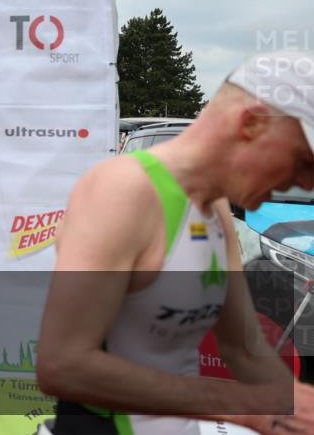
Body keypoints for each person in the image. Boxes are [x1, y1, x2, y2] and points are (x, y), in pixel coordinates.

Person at [37, 50, 314, 435]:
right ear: (251, 123)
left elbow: (243, 350)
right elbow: (61, 365)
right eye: (304, 161)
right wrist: (246, 407)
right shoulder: (122, 189)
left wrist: (297, 408)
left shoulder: (216, 210)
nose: (305, 183)